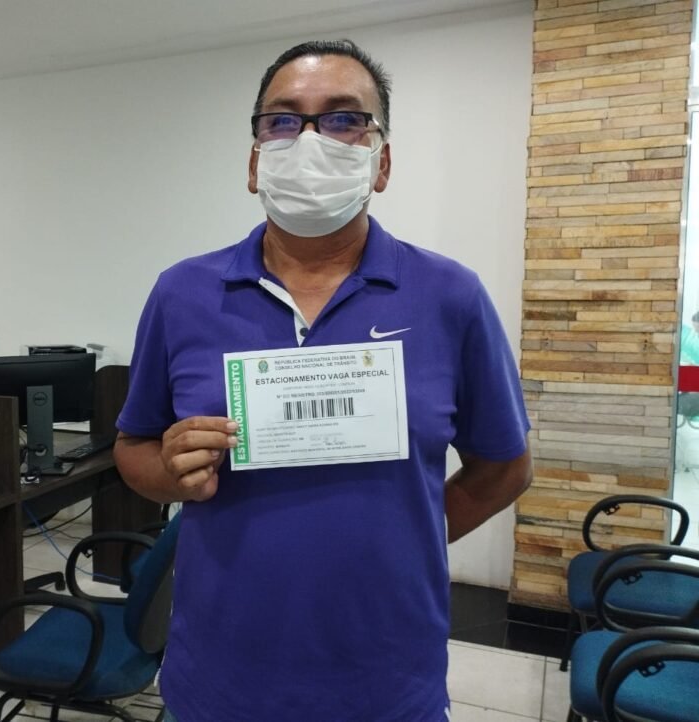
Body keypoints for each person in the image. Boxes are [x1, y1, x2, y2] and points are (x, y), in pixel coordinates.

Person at [113, 39, 532, 721]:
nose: (309, 140)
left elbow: (505, 467)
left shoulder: (450, 295)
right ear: (255, 162)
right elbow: (133, 446)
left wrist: (409, 542)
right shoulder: (181, 293)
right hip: (220, 676)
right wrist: (169, 471)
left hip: (387, 679)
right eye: (282, 120)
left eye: (343, 119)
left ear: (382, 161)